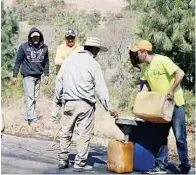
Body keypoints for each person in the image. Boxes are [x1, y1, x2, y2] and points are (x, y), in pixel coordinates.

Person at [55, 37, 119, 171]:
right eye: (97, 51)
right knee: (84, 134)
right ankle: (79, 163)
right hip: (85, 104)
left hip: (68, 102)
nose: (97, 54)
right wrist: (110, 107)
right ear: (94, 50)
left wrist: (59, 99)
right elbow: (100, 88)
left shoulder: (68, 60)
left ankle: (63, 159)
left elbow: (59, 80)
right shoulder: (93, 64)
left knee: (66, 131)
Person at [130, 40, 190, 174]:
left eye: (137, 52)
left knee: (180, 136)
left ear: (144, 52)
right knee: (160, 136)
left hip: (175, 104)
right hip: (159, 108)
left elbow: (180, 73)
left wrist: (171, 90)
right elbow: (146, 86)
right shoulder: (145, 67)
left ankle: (185, 165)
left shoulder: (162, 60)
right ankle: (160, 165)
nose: (136, 55)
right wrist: (141, 100)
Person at [12, 27, 49, 125]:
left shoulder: (44, 48)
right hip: (28, 76)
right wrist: (15, 75)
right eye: (33, 37)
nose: (35, 39)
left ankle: (29, 116)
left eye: (37, 37)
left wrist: (46, 75)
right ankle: (32, 120)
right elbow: (18, 62)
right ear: (30, 38)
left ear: (40, 37)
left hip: (38, 76)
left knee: (34, 97)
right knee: (30, 97)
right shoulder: (23, 47)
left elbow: (46, 62)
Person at [51, 29, 83, 122]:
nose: (70, 40)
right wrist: (71, 61)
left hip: (74, 78)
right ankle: (54, 118)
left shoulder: (80, 48)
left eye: (72, 38)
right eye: (68, 38)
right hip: (61, 76)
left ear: (74, 38)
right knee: (58, 97)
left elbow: (82, 62)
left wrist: (67, 61)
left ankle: (68, 118)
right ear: (65, 38)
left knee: (71, 98)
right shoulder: (60, 48)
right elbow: (57, 61)